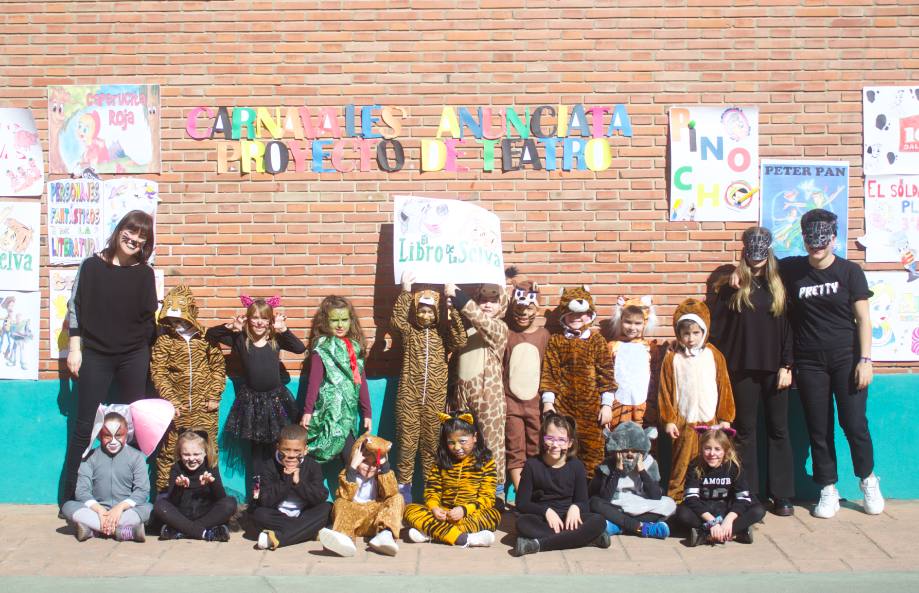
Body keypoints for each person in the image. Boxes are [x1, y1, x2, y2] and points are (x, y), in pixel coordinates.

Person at [779, 209, 883, 517]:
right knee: (819, 428)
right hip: (809, 361)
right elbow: (759, 266)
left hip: (846, 359)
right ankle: (828, 488)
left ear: (834, 239)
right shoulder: (793, 270)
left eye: (823, 240)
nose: (817, 246)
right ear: (804, 240)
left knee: (853, 424)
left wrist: (865, 360)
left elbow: (863, 319)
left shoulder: (850, 272)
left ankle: (867, 480)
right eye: (811, 240)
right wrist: (739, 271)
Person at [62, 211, 157, 504]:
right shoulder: (91, 267)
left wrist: (144, 355)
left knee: (135, 427)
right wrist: (76, 349)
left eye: (142, 236)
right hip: (97, 355)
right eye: (130, 231)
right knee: (84, 426)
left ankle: (133, 497)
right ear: (119, 231)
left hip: (133, 356)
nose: (134, 239)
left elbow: (148, 320)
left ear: (146, 243)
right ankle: (70, 498)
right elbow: (75, 308)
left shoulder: (144, 272)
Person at [710, 227, 795, 516]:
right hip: (741, 369)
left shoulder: (781, 282)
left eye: (761, 247)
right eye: (750, 248)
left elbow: (790, 328)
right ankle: (750, 493)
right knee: (744, 432)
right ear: (744, 250)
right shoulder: (729, 287)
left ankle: (782, 495)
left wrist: (787, 364)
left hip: (775, 369)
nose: (756, 253)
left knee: (778, 430)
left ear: (769, 249)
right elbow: (717, 332)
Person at [206, 296, 306, 483]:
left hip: (277, 401)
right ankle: (258, 493)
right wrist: (229, 327)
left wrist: (284, 330)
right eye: (255, 318)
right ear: (248, 319)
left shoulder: (276, 339)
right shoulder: (240, 339)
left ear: (270, 321)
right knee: (257, 453)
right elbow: (210, 335)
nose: (259, 322)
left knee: (278, 447)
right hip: (252, 403)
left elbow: (300, 349)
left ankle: (279, 487)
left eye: (264, 318)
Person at [390, 271, 466, 502]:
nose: (424, 315)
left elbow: (460, 340)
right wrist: (405, 291)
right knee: (406, 445)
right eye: (421, 310)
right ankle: (404, 492)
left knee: (432, 448)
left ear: (436, 313)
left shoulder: (442, 335)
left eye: (429, 311)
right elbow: (396, 321)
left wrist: (451, 305)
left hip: (434, 402)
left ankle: (431, 494)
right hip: (408, 398)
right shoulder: (409, 333)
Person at [150, 285, 226, 492]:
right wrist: (172, 402)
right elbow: (159, 372)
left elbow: (218, 367)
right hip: (177, 409)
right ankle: (164, 499)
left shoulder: (207, 338)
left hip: (205, 407)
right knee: (168, 452)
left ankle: (213, 496)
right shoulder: (164, 341)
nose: (177, 324)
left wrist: (214, 395)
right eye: (174, 320)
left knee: (209, 450)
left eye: (181, 319)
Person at [658, 298, 735, 501]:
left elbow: (724, 386)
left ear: (704, 331)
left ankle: (709, 499)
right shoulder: (672, 358)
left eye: (695, 333)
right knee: (682, 464)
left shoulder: (714, 355)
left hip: (711, 422)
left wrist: (725, 417)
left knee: (711, 460)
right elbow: (665, 390)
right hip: (684, 422)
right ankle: (677, 500)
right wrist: (669, 420)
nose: (691, 338)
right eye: (686, 334)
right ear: (679, 334)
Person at [540, 287, 616, 476]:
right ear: (563, 316)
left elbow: (606, 375)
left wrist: (607, 405)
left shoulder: (597, 341)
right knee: (562, 451)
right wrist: (548, 402)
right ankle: (563, 491)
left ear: (590, 315)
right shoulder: (556, 341)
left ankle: (589, 496)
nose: (576, 318)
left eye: (582, 314)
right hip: (564, 410)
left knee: (592, 453)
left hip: (592, 411)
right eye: (571, 314)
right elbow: (550, 372)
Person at [446, 281, 509, 498]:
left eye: (494, 300)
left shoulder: (499, 328)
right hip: (463, 396)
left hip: (488, 398)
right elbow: (456, 358)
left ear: (502, 305)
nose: (488, 305)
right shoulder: (468, 328)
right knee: (461, 443)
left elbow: (483, 322)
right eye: (483, 300)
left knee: (492, 445)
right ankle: (464, 491)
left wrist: (461, 299)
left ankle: (497, 492)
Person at [513, 413, 609, 556]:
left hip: (569, 519)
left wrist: (576, 507)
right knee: (522, 524)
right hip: (544, 520)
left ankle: (537, 545)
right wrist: (546, 511)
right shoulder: (532, 465)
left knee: (599, 521)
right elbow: (521, 503)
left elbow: (583, 502)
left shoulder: (576, 466)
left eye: (561, 440)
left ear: (570, 443)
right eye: (550, 438)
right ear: (543, 439)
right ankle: (585, 539)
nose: (555, 445)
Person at [402, 411, 501, 547]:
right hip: (444, 513)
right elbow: (432, 492)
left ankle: (432, 533)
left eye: (462, 441)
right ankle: (465, 538)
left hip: (469, 514)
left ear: (475, 437)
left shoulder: (486, 462)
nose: (457, 447)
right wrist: (434, 508)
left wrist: (464, 510)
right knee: (409, 510)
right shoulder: (441, 462)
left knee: (493, 515)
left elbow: (487, 498)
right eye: (451, 442)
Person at [300, 295, 372, 464]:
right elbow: (314, 381)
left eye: (344, 320)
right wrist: (307, 411)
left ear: (351, 320)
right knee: (315, 457)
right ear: (325, 321)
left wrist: (367, 412)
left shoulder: (354, 347)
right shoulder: (322, 347)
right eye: (334, 320)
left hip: (348, 415)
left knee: (352, 460)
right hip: (327, 413)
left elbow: (360, 380)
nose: (340, 325)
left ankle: (351, 490)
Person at [61, 412, 152, 542]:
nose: (113, 441)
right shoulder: (89, 458)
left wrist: (120, 508)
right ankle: (124, 531)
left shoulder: (136, 457)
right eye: (107, 436)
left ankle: (94, 530)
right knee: (68, 506)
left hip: (124, 511)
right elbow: (81, 491)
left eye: (119, 435)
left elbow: (142, 491)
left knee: (149, 508)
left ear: (126, 434)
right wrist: (100, 511)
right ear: (99, 435)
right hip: (97, 511)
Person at [674, 427, 766, 546]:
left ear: (725, 450)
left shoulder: (734, 467)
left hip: (727, 509)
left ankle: (706, 535)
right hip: (705, 511)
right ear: (701, 448)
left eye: (717, 449)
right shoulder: (695, 466)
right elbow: (691, 498)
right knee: (682, 513)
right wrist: (712, 522)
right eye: (707, 448)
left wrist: (729, 520)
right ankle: (735, 533)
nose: (712, 453)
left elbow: (743, 498)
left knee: (758, 510)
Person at [502, 269, 550, 493]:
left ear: (537, 308)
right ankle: (522, 495)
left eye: (528, 308)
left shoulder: (544, 336)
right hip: (511, 404)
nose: (522, 313)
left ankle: (537, 491)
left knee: (536, 446)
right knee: (514, 447)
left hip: (535, 405)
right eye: (518, 308)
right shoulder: (507, 333)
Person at [318, 434, 404, 557]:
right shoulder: (347, 474)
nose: (369, 467)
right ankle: (345, 539)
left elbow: (391, 492)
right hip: (353, 522)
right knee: (340, 502)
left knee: (397, 498)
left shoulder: (380, 476)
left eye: (374, 463)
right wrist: (353, 467)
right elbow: (345, 495)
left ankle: (385, 535)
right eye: (364, 462)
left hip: (374, 521)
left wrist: (384, 466)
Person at [588, 421, 675, 538]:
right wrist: (617, 471)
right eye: (625, 450)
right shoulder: (608, 464)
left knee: (669, 504)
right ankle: (641, 527)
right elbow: (606, 498)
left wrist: (642, 471)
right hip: (617, 506)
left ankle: (618, 526)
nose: (630, 454)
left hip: (640, 504)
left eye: (634, 451)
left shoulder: (649, 463)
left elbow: (655, 496)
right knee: (595, 502)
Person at [251, 424, 331, 550]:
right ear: (278, 447)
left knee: (328, 507)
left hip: (303, 514)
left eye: (297, 451)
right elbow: (262, 500)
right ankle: (308, 531)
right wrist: (286, 481)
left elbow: (320, 497)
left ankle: (275, 538)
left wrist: (298, 483)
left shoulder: (314, 466)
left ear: (305, 450)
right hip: (277, 515)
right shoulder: (265, 466)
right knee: (259, 514)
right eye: (286, 450)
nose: (291, 455)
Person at [153, 430, 237, 541]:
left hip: (206, 515)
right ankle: (204, 533)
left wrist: (212, 483)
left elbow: (221, 498)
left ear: (205, 452)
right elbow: (172, 501)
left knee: (230, 503)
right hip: (183, 514)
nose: (192, 459)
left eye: (196, 454)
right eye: (186, 454)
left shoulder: (211, 467)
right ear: (179, 453)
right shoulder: (176, 468)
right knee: (160, 505)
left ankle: (182, 531)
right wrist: (179, 487)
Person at [606, 296, 663, 431]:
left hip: (644, 408)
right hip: (618, 407)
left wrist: (653, 408)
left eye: (638, 323)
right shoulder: (613, 346)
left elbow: (655, 379)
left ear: (645, 323)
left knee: (642, 445)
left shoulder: (651, 348)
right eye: (628, 322)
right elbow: (606, 379)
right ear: (621, 322)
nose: (632, 327)